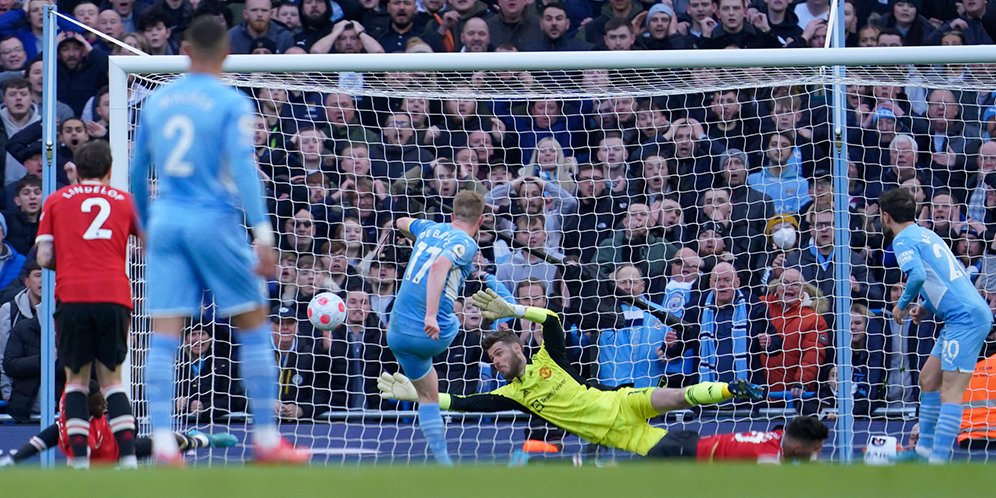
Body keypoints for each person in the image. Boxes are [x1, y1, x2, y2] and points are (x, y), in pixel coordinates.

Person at [129, 15, 308, 465]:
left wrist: (145, 227)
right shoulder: (232, 103)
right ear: (226, 54)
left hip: (166, 219)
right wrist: (263, 234)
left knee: (164, 334)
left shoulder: (157, 102)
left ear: (185, 51)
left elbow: (135, 174)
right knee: (252, 323)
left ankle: (165, 444)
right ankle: (266, 439)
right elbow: (245, 170)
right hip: (214, 218)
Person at [379, 289, 763, 459]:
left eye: (498, 353)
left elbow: (552, 319)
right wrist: (421, 395)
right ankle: (753, 447)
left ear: (516, 347)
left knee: (676, 396)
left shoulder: (550, 357)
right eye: (492, 359)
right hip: (620, 434)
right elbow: (463, 403)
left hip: (620, 401)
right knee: (683, 452)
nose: (495, 362)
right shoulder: (513, 394)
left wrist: (513, 308)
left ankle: (734, 388)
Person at [33, 140, 139, 469]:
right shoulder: (125, 201)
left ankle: (79, 464)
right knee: (112, 382)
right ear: (110, 170)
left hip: (74, 295)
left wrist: (73, 259)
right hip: (114, 295)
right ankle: (130, 460)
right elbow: (149, 245)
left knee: (76, 382)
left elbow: (44, 257)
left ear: (77, 172)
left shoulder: (55, 201)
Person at [880, 188, 995, 463]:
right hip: (960, 315)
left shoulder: (902, 240)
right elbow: (944, 277)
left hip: (965, 319)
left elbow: (918, 276)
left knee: (951, 392)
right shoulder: (926, 234)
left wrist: (902, 305)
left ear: (885, 217)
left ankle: (938, 463)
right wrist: (925, 307)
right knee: (928, 379)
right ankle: (923, 452)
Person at [387, 189, 485, 465]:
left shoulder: (429, 227)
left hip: (396, 332)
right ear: (481, 221)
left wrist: (417, 237)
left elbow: (401, 222)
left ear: (452, 215)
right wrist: (430, 315)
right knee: (469, 316)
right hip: (435, 331)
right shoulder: (466, 242)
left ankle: (443, 460)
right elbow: (440, 265)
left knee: (428, 394)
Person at [0, 384, 237, 467]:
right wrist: (15, 459)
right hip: (106, 458)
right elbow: (45, 438)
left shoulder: (92, 420)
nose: (104, 404)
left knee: (169, 444)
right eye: (99, 401)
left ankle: (205, 439)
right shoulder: (76, 421)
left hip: (120, 450)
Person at [649, 415, 828, 462]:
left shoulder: (781, 436)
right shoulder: (767, 459)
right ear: (797, 448)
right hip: (679, 453)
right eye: (816, 448)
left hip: (689, 442)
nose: (818, 452)